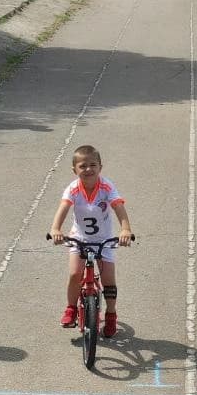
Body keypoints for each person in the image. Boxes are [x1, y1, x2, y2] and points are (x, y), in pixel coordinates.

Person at [49, 145, 133, 338]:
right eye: (83, 166)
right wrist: (56, 229)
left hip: (104, 239)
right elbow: (63, 208)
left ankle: (110, 315)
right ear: (74, 170)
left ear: (100, 167)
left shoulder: (106, 187)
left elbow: (118, 207)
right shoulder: (73, 189)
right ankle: (71, 308)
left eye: (93, 165)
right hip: (80, 237)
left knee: (108, 281)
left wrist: (125, 229)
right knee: (74, 274)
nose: (88, 169)